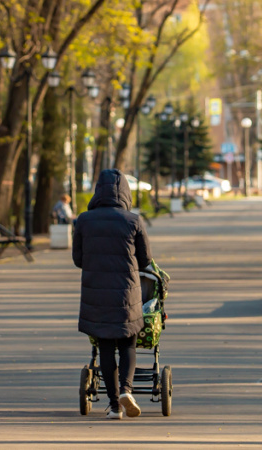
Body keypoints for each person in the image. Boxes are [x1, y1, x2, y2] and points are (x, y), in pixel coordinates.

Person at [72, 169, 151, 420]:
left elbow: (78, 259)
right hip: (126, 293)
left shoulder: (84, 220)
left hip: (96, 294)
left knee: (105, 346)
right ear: (125, 192)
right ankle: (127, 390)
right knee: (128, 341)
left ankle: (115, 405)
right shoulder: (133, 220)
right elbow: (146, 259)